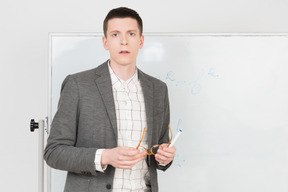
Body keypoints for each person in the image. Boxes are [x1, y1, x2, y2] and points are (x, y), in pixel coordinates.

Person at [44, 7, 176, 192]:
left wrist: (164, 157)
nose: (123, 41)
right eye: (115, 34)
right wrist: (105, 156)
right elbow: (54, 153)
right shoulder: (78, 85)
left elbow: (159, 147)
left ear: (141, 41)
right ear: (105, 42)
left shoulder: (158, 89)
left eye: (131, 33)